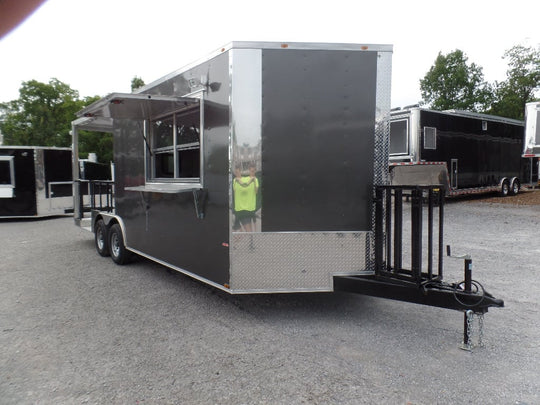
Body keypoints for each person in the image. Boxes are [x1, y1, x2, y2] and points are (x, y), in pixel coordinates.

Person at [233, 163, 259, 232]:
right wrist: (250, 181)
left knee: (249, 229)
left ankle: (251, 242)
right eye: (236, 172)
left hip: (249, 208)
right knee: (246, 230)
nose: (252, 173)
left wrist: (252, 180)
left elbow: (256, 191)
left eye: (253, 171)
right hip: (240, 209)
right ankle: (251, 241)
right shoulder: (235, 180)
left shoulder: (255, 180)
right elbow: (243, 186)